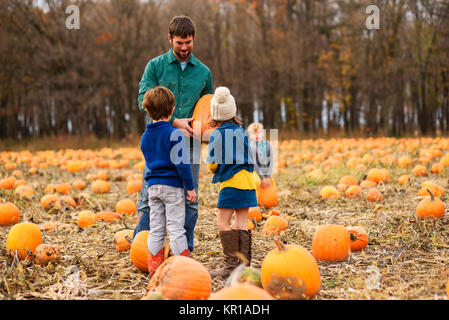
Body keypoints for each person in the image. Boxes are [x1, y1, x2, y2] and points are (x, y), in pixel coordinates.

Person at [134, 16, 213, 256]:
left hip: (189, 143)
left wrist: (208, 131)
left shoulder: (204, 73)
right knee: (150, 196)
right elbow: (142, 101)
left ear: (194, 38)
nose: (184, 47)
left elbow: (208, 108)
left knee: (190, 197)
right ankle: (142, 248)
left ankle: (185, 251)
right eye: (179, 42)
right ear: (170, 39)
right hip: (159, 141)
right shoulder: (155, 67)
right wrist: (173, 121)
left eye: (188, 42)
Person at [140, 86, 197, 275]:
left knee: (156, 228)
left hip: (153, 188)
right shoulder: (176, 135)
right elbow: (182, 165)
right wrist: (190, 187)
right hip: (172, 188)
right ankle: (182, 268)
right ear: (172, 111)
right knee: (175, 228)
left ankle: (154, 268)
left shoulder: (145, 137)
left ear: (148, 111)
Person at [206, 87, 258, 278]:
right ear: (233, 111)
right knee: (241, 223)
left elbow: (213, 164)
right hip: (248, 184)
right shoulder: (243, 132)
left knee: (223, 223)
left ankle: (229, 267)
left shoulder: (217, 135)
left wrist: (213, 169)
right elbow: (250, 158)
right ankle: (244, 266)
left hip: (230, 184)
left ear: (215, 114)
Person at [247, 122, 275, 197]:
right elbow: (254, 164)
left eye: (258, 133)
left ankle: (269, 198)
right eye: (253, 133)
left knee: (271, 183)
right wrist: (262, 178)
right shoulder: (250, 147)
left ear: (263, 133)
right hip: (254, 170)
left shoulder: (269, 145)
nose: (256, 135)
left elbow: (271, 161)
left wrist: (268, 176)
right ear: (250, 135)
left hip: (265, 170)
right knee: (257, 182)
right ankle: (255, 200)